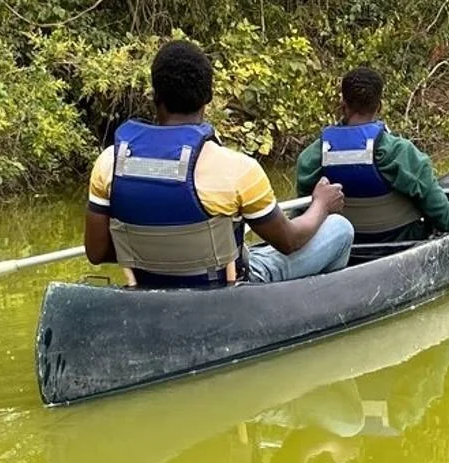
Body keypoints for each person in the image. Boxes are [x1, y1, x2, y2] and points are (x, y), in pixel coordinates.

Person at [84, 40, 353, 288]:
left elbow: (97, 252)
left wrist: (162, 255)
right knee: (340, 227)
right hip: (229, 289)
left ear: (155, 95)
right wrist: (321, 204)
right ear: (208, 97)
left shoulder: (109, 163)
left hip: (147, 283)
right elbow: (290, 241)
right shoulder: (238, 170)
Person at [296, 67, 449, 244]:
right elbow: (445, 218)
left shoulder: (311, 158)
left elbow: (303, 220)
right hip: (400, 243)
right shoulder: (402, 154)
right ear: (379, 106)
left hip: (342, 248)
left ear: (343, 105)